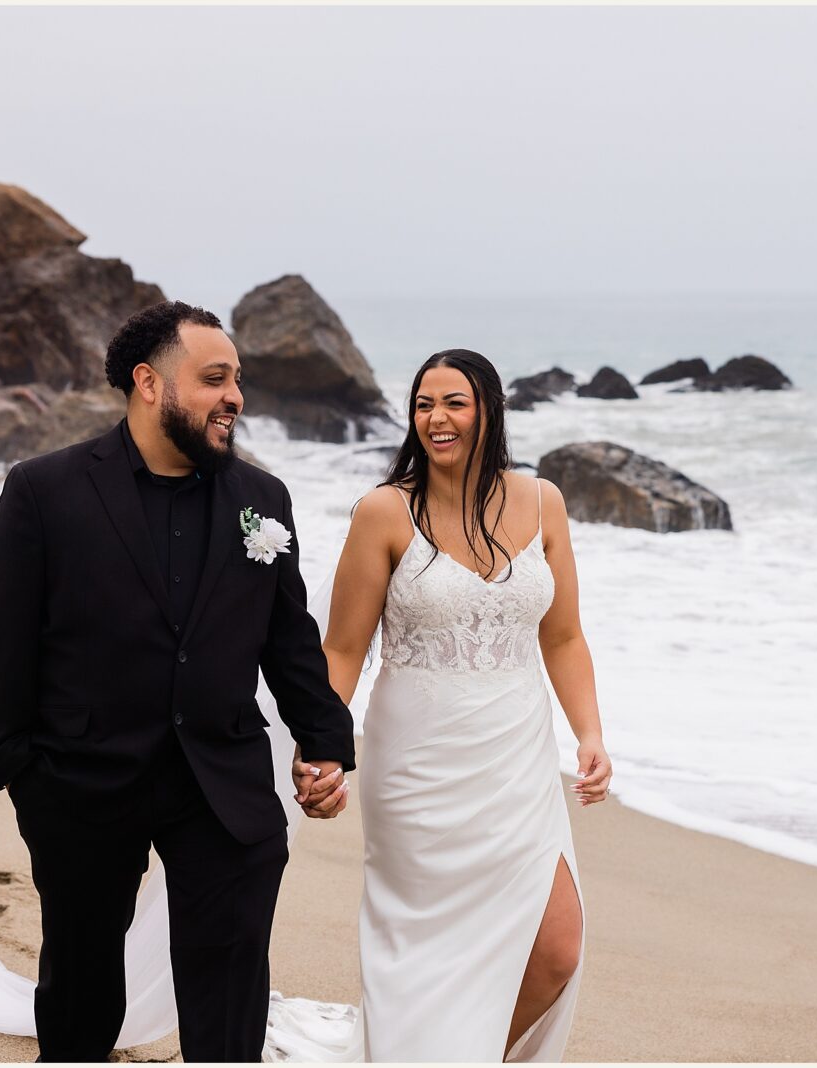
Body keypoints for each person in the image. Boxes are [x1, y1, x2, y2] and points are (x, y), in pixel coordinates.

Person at [0, 300, 357, 1062]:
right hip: (82, 781)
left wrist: (326, 744)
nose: (235, 398)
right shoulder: (44, 491)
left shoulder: (263, 501)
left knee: (228, 992)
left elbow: (289, 643)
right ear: (150, 384)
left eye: (237, 381)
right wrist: (19, 770)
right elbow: (6, 640)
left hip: (223, 782)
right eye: (214, 379)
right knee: (80, 992)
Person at [293, 347, 614, 1061]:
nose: (436, 418)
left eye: (455, 403)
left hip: (518, 761)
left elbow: (562, 636)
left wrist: (589, 733)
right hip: (418, 767)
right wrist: (320, 747)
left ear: (489, 411)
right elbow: (343, 649)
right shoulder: (384, 512)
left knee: (557, 947)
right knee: (427, 953)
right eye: (423, 404)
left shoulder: (543, 502)